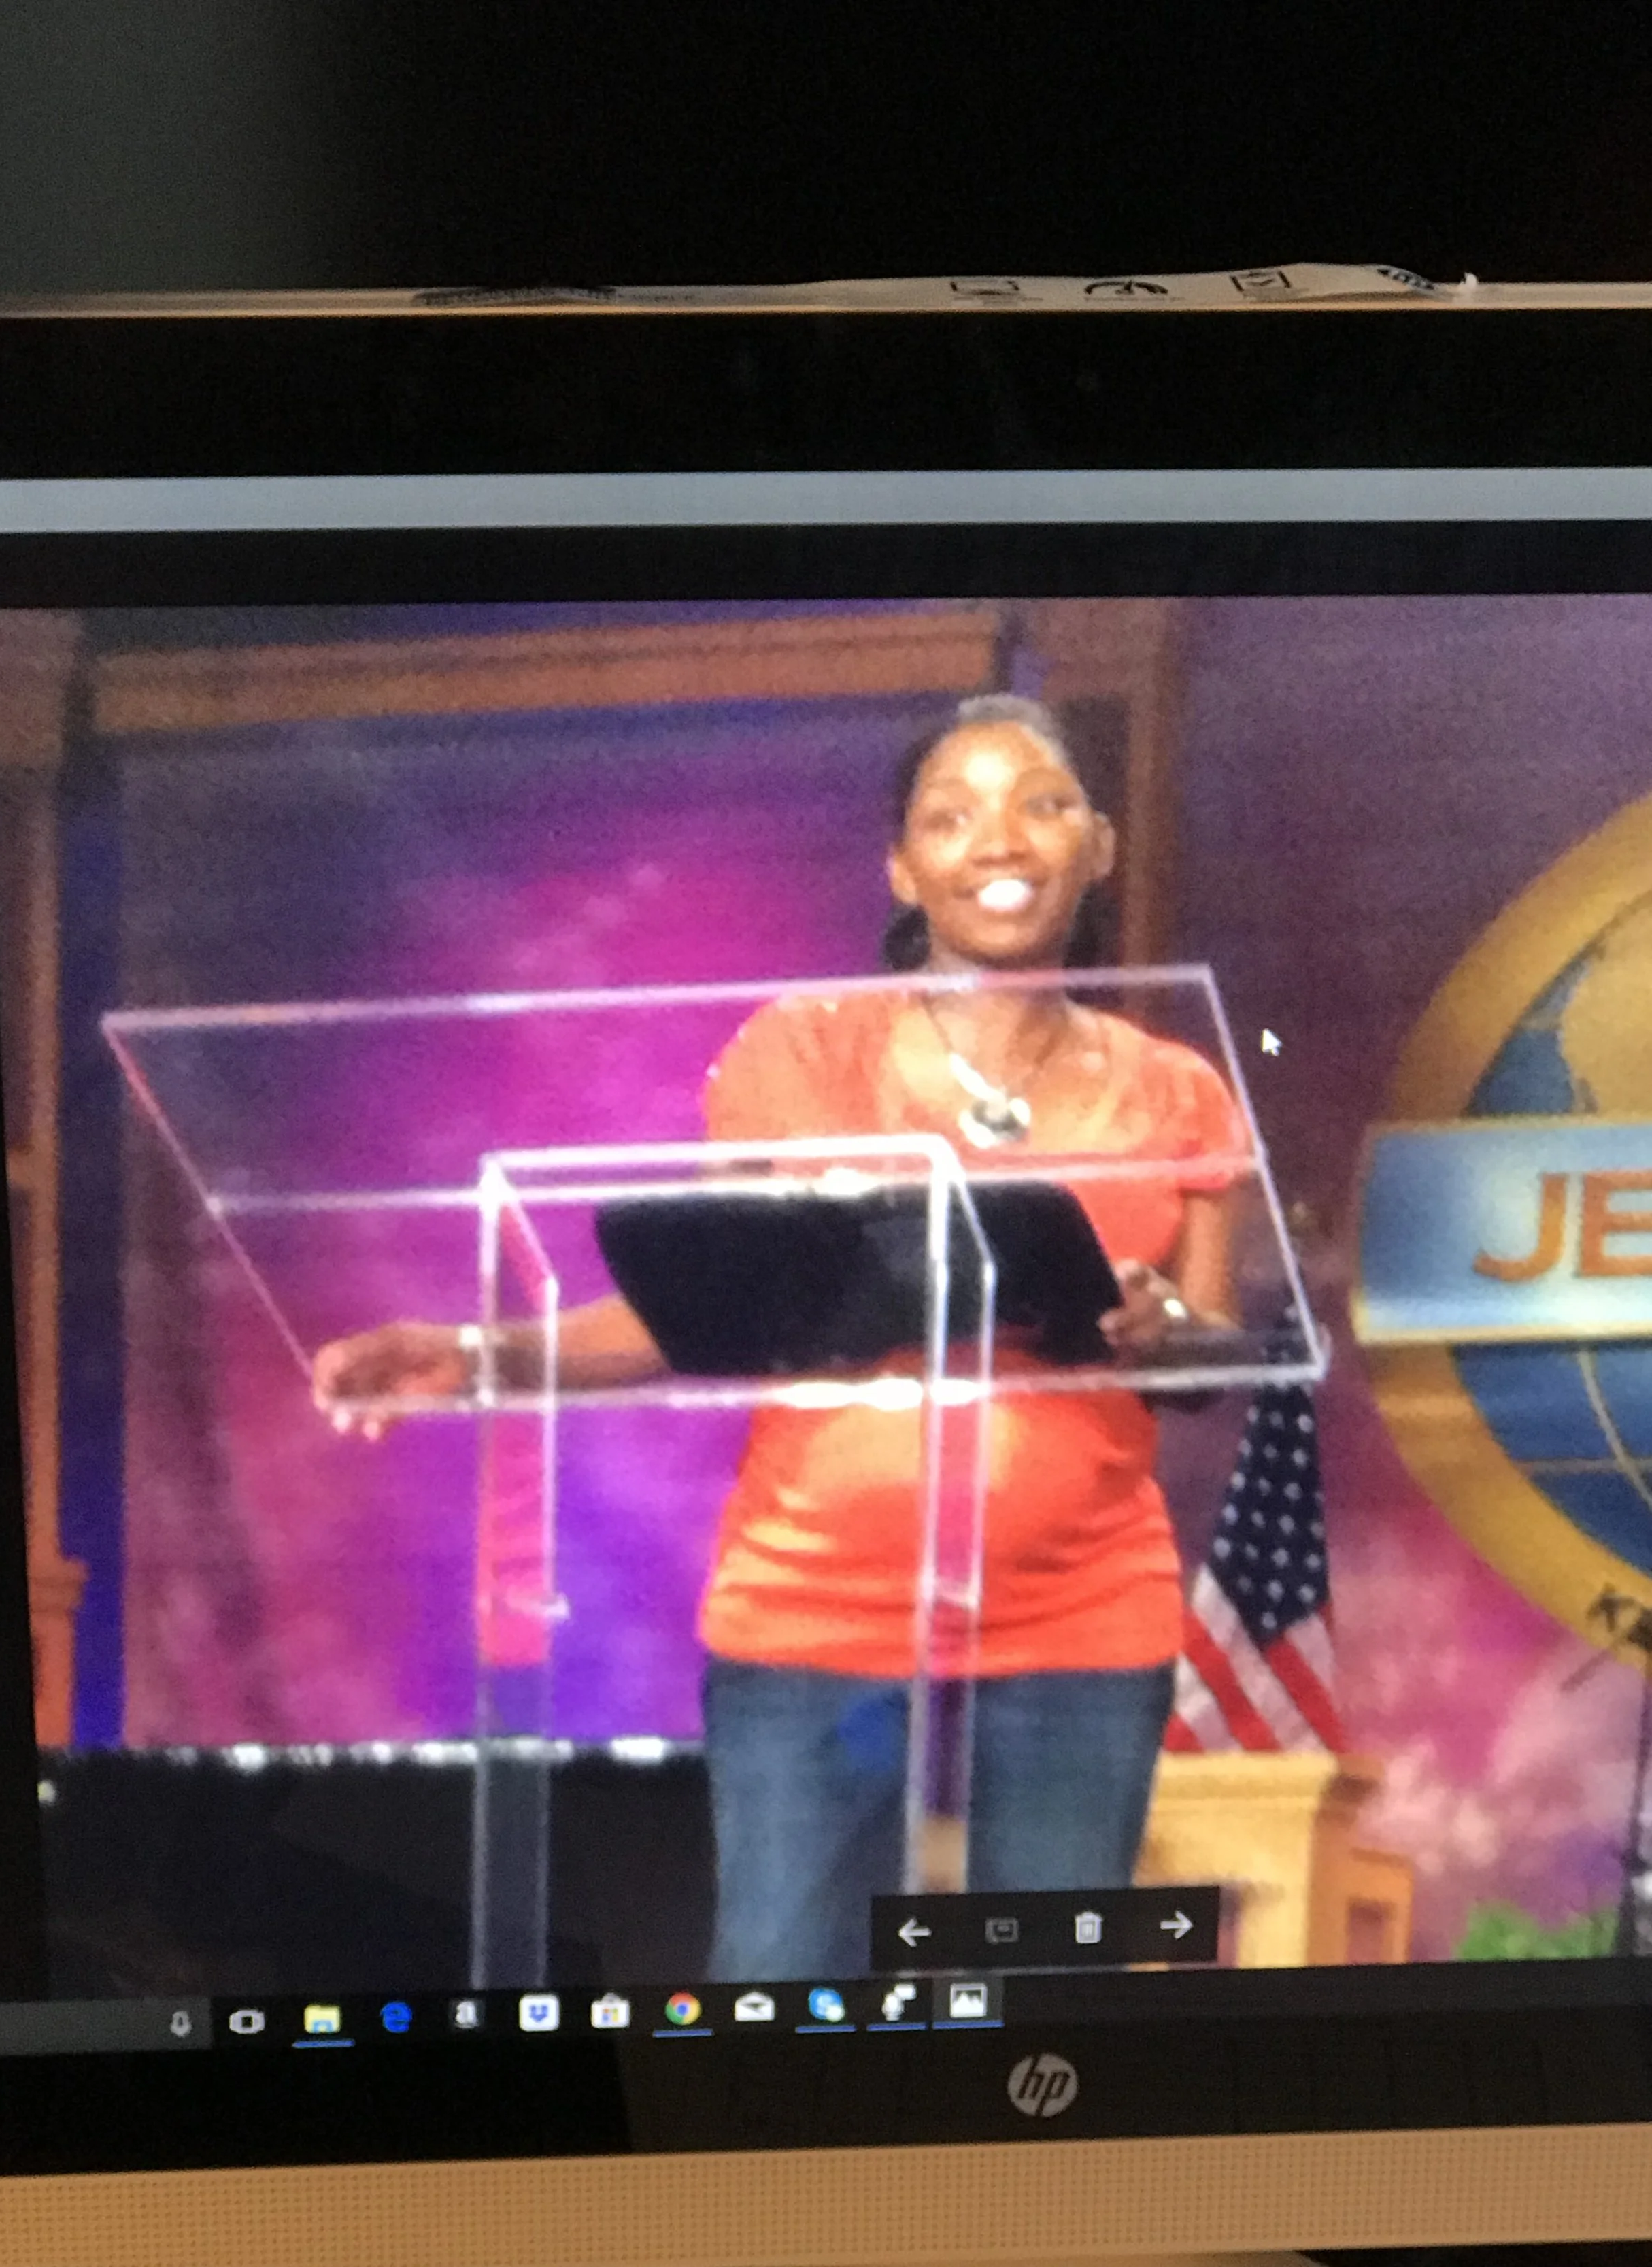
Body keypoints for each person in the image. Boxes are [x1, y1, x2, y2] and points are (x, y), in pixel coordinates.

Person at [312, 694, 1249, 1979]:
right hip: (817, 1609)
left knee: (1049, 2018)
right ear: (902, 868)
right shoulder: (797, 1051)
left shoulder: (1179, 1089)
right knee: (789, 2006)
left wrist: (1170, 1335)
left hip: (1080, 1616)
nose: (1000, 839)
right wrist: (481, 1358)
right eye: (951, 814)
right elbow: (696, 1316)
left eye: (1041, 804)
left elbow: (1222, 1357)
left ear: (1098, 842)